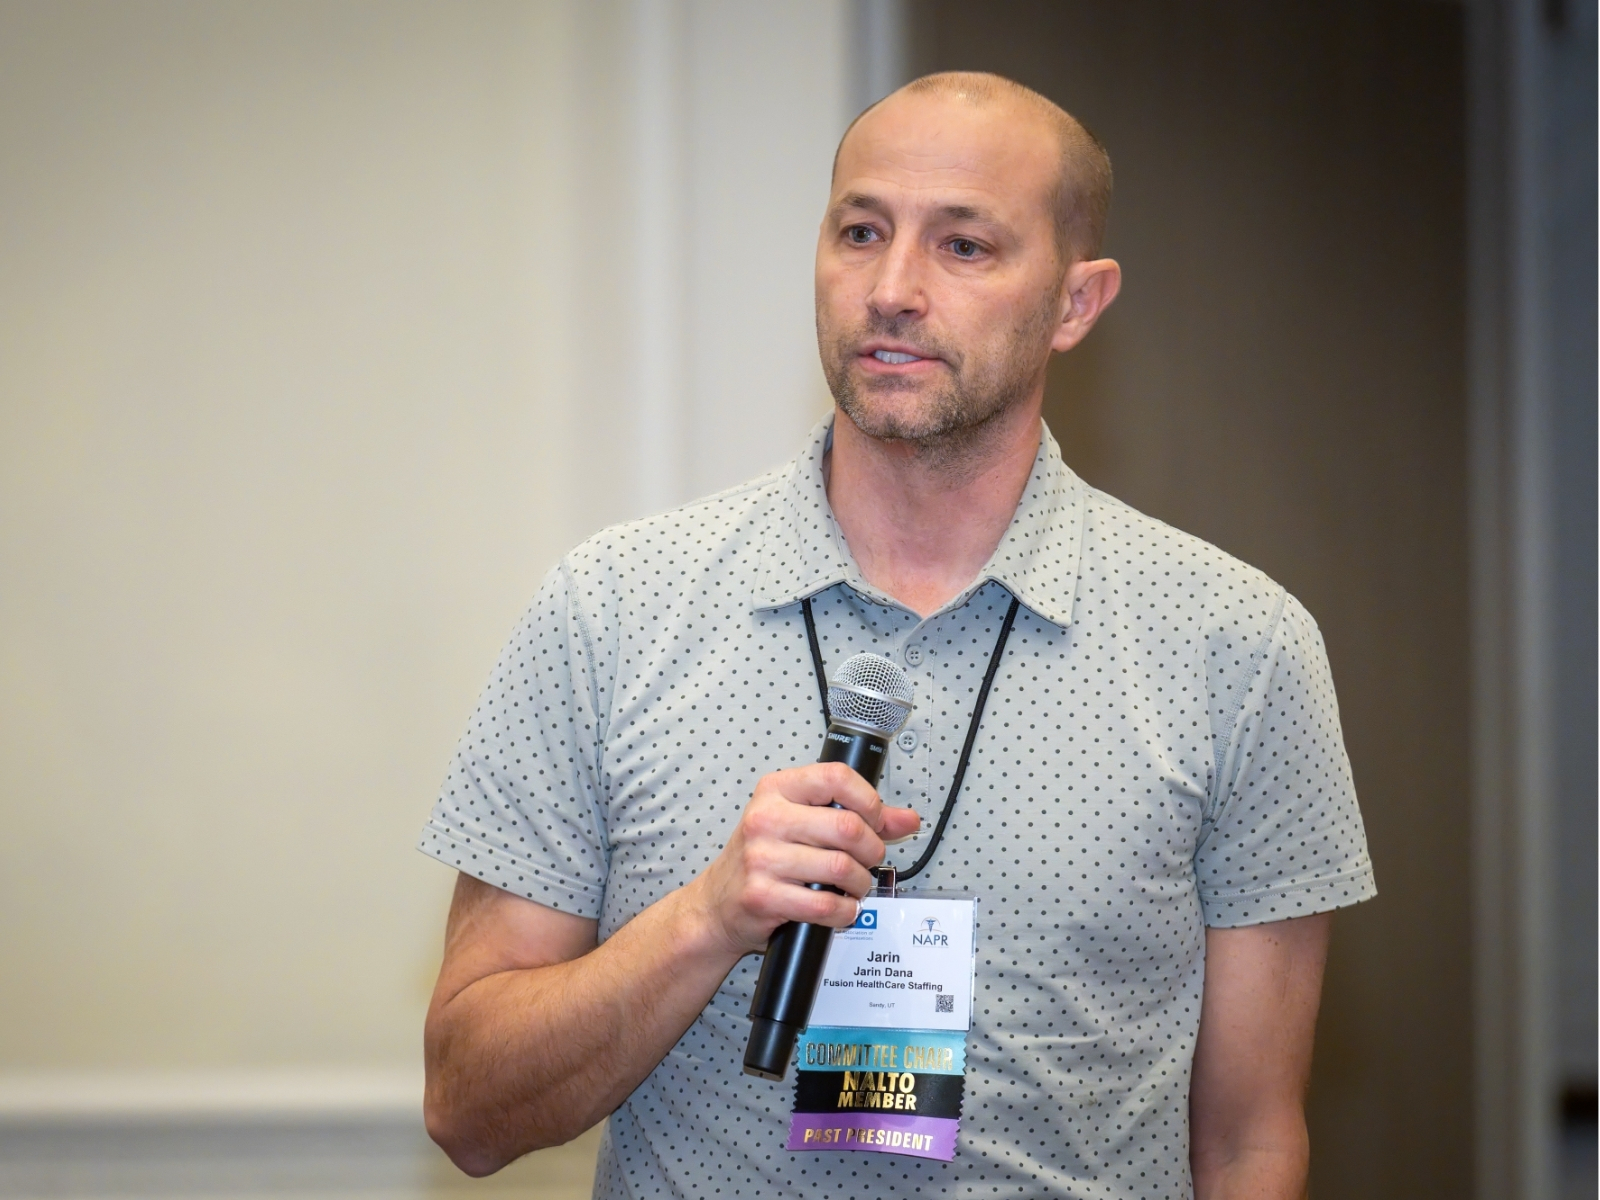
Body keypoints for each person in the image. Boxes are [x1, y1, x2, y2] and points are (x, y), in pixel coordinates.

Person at [417, 71, 1375, 1199]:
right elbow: (468, 1108)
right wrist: (705, 920)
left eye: (964, 246)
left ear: (1076, 303)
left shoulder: (1239, 648)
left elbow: (1249, 1142)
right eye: (861, 232)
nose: (892, 290)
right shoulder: (613, 608)